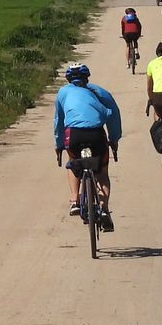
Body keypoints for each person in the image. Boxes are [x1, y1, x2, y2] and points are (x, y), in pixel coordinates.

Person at [53, 63, 121, 230]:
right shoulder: (99, 91)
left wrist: (59, 144)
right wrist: (114, 139)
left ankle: (75, 200)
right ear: (87, 78)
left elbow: (59, 121)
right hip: (96, 133)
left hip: (74, 134)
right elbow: (114, 115)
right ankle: (104, 209)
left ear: (68, 79)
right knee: (102, 172)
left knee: (73, 161)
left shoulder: (63, 92)